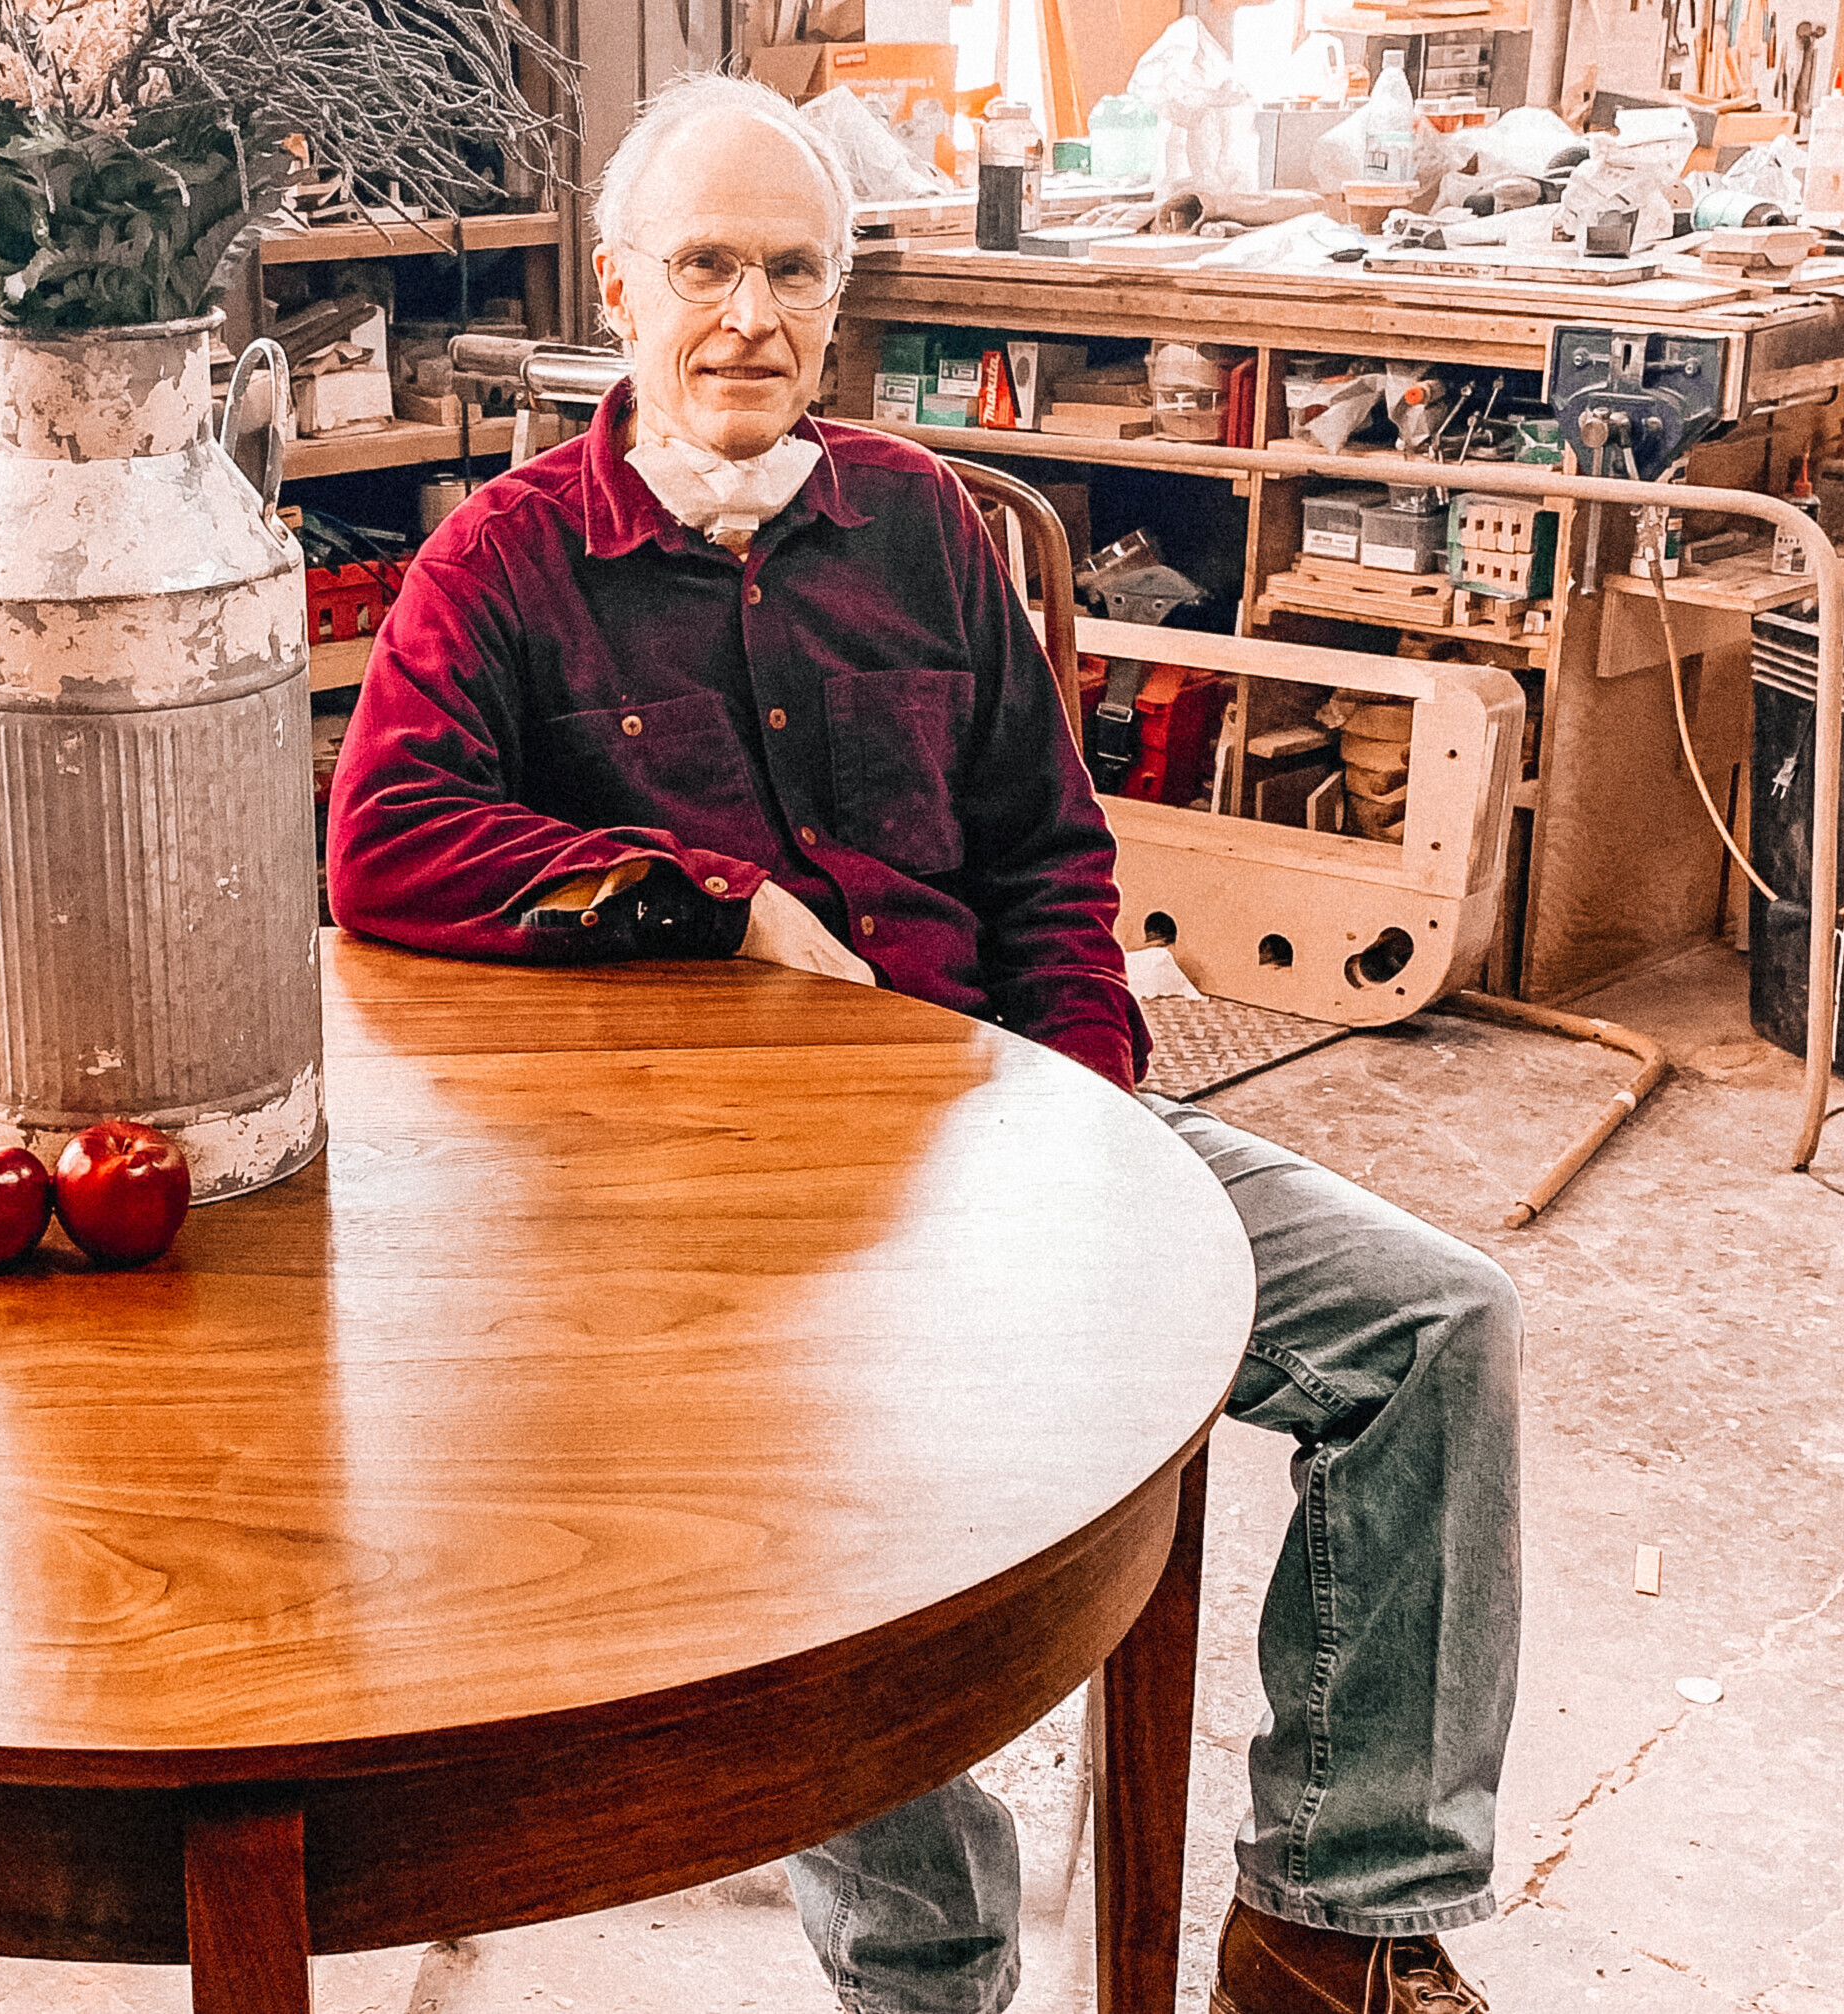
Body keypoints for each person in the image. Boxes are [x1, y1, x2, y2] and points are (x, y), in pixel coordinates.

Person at [321, 72, 1523, 2014]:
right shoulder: (506, 562)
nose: (748, 317)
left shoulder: (920, 522)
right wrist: (713, 900)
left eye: (791, 271)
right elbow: (383, 841)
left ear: (838, 297)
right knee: (815, 1465)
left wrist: (1088, 1132)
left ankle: (1332, 1917)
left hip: (996, 1123)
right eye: (703, 267)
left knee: (1435, 1323)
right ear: (616, 289)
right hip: (722, 1213)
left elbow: (1047, 854)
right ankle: (926, 1979)